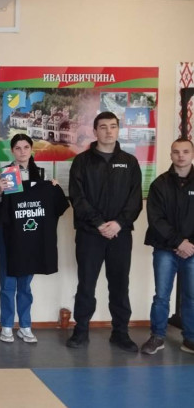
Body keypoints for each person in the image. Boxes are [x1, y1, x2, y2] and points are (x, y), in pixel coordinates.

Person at [67, 111, 142, 351]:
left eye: (113, 126)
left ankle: (120, 333)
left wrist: (118, 223)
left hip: (120, 234)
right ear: (95, 131)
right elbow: (77, 197)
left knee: (119, 285)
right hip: (90, 234)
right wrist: (99, 223)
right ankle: (81, 331)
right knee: (86, 284)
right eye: (103, 127)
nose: (108, 131)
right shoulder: (82, 162)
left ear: (118, 129)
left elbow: (135, 200)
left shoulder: (130, 162)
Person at [0, 134, 67, 344]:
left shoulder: (42, 174)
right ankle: (6, 325)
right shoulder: (5, 174)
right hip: (8, 234)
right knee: (8, 283)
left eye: (26, 147)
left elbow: (55, 204)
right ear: (12, 151)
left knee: (25, 285)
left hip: (31, 236)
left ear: (31, 149)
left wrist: (54, 188)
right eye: (17, 148)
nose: (22, 152)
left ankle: (25, 325)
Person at [141, 138, 194, 355]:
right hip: (165, 249)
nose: (181, 156)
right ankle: (158, 336)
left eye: (185, 151)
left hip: (192, 251)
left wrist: (190, 245)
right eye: (176, 152)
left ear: (192, 154)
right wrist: (178, 242)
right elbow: (156, 219)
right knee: (161, 296)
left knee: (192, 296)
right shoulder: (159, 184)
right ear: (170, 154)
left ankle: (190, 339)